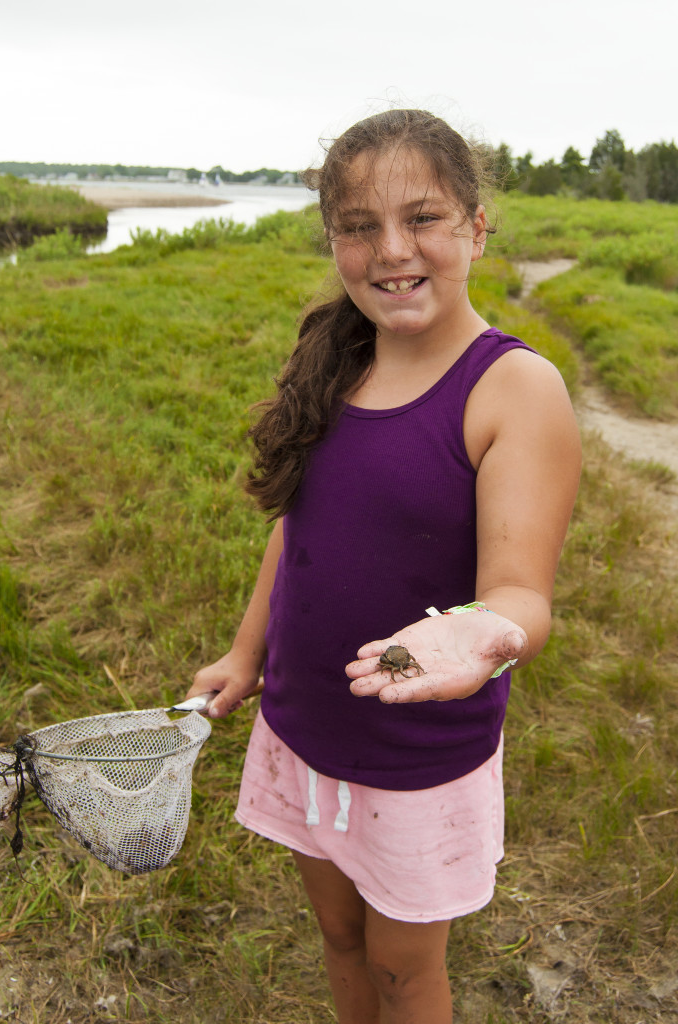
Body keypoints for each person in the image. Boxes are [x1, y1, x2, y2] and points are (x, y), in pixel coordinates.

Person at [187, 108, 581, 1023]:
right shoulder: (338, 360)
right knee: (337, 938)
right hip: (301, 720)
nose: (391, 249)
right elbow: (297, 528)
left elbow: (523, 590)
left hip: (418, 752)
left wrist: (487, 632)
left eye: (424, 218)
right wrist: (249, 655)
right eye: (359, 227)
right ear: (333, 242)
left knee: (405, 970)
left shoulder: (513, 388)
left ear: (478, 228)